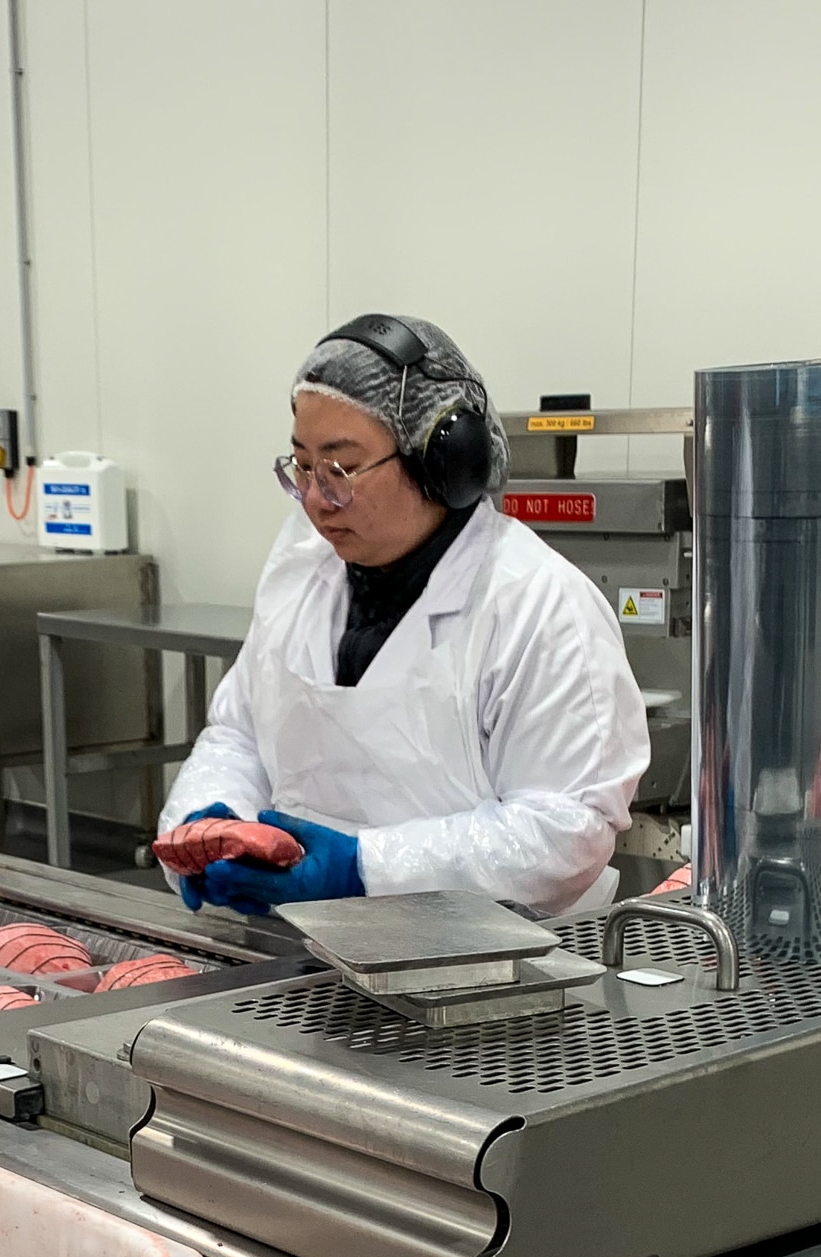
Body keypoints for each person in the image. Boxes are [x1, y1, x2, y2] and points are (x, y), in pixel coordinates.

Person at [155, 314, 644, 918]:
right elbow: (239, 734)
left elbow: (564, 833)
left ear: (442, 463)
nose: (314, 499)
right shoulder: (300, 568)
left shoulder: (537, 603)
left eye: (340, 469)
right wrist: (210, 820)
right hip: (301, 954)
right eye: (302, 466)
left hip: (490, 971)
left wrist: (361, 868)